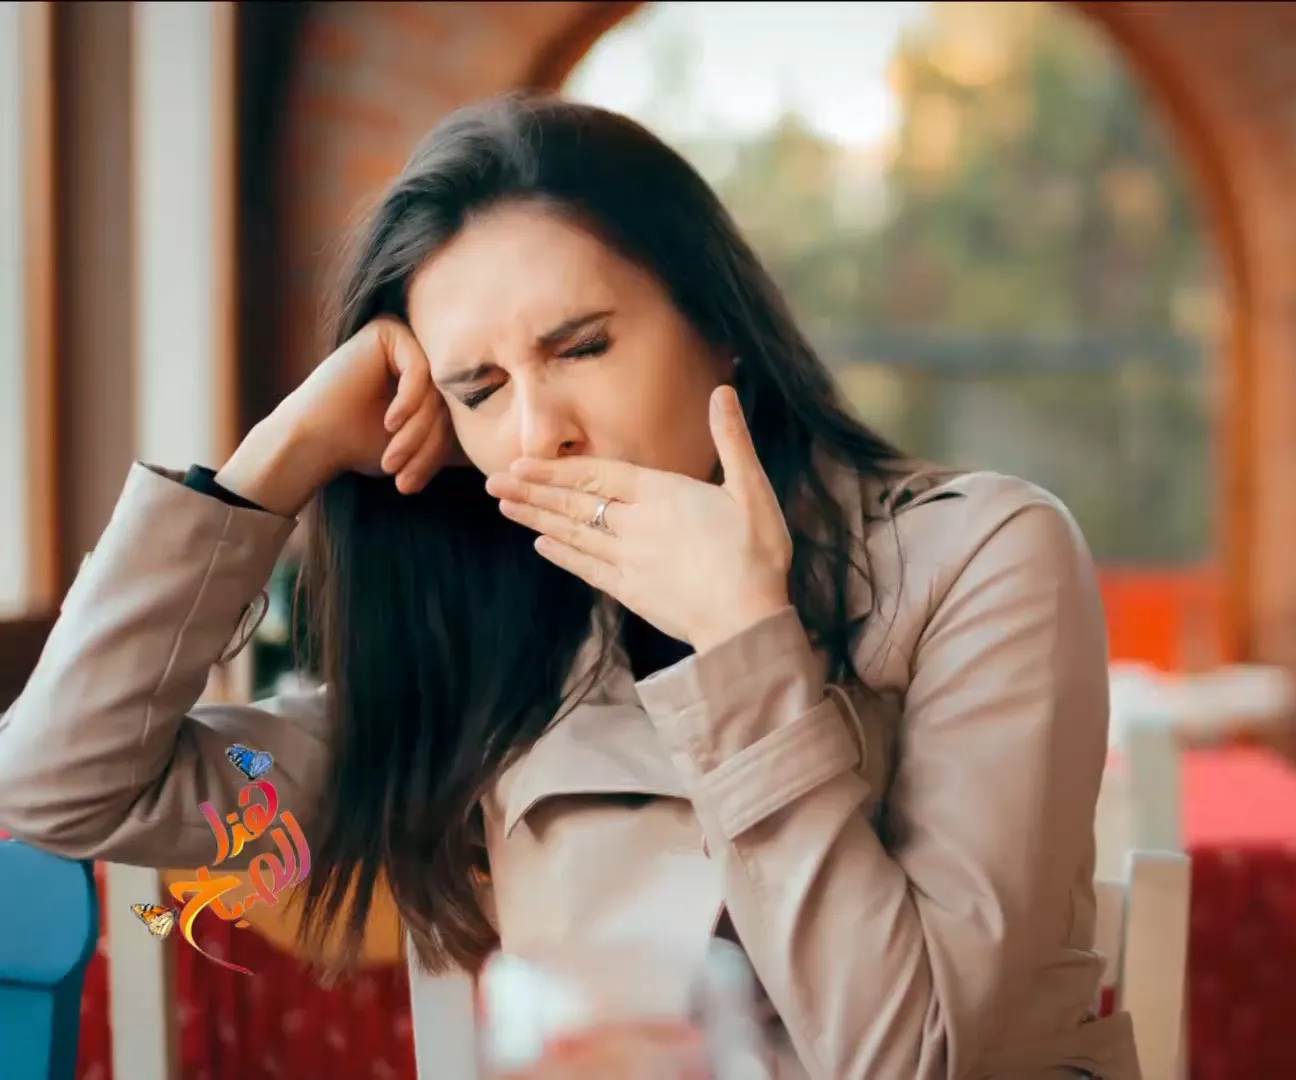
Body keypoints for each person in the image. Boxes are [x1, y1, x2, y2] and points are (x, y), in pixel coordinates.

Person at [0, 94, 1136, 1079]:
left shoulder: (981, 555)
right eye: (480, 390)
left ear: (720, 326)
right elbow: (60, 789)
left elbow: (916, 1057)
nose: (539, 431)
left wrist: (738, 641)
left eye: (582, 346)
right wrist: (274, 462)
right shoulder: (500, 640)